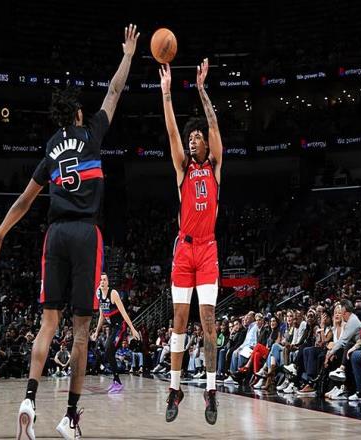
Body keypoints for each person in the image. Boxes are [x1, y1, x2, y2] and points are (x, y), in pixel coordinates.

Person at [0, 24, 139, 440]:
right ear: (79, 114)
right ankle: (69, 417)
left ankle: (29, 400)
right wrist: (127, 55)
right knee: (81, 330)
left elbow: (24, 201)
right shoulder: (92, 132)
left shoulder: (50, 148)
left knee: (47, 323)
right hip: (85, 234)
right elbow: (114, 91)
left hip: (55, 235)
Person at [159, 58, 223, 425]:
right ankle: (175, 388)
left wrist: (201, 89)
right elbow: (171, 133)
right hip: (184, 250)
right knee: (180, 320)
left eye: (196, 137)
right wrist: (167, 96)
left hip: (208, 248)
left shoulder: (214, 166)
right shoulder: (183, 169)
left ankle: (211, 390)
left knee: (208, 319)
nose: (191, 139)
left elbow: (213, 123)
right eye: (191, 137)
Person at [91, 272, 140, 392]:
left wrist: (132, 329)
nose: (102, 282)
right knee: (108, 352)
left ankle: (117, 381)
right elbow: (102, 315)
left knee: (108, 349)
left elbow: (123, 313)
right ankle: (116, 381)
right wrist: (97, 331)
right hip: (112, 326)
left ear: (108, 282)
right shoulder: (98, 293)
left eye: (104, 280)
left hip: (120, 327)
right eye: (101, 280)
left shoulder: (113, 293)